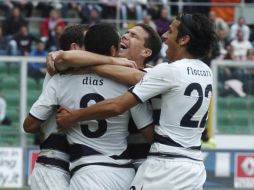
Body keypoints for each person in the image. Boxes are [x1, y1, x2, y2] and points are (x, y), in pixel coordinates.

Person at [55, 13, 217, 189]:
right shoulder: (206, 71)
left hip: (164, 167)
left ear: (184, 39)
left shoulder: (167, 72)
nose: (164, 35)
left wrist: (74, 116)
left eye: (170, 32)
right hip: (193, 167)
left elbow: (117, 105)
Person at [32, 23, 156, 190]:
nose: (124, 36)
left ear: (146, 52)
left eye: (133, 36)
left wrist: (74, 115)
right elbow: (64, 59)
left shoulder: (154, 75)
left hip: (143, 167)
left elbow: (136, 79)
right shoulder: (122, 83)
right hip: (122, 170)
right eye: (125, 33)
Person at [23, 24, 89, 190]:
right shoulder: (59, 71)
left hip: (80, 167)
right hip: (54, 165)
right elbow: (29, 125)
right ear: (75, 48)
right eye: (90, 43)